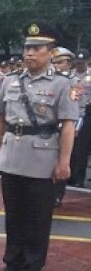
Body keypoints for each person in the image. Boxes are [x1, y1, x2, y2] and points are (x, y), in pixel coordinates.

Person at [0, 21, 78, 271]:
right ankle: (12, 265)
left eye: (37, 48)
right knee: (13, 216)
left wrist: (64, 162)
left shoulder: (63, 84)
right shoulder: (10, 81)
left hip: (42, 158)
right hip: (13, 155)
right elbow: (0, 120)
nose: (29, 53)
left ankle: (31, 270)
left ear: (51, 52)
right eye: (27, 47)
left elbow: (68, 126)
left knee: (37, 219)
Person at [51, 47, 82, 206]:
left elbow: (78, 109)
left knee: (63, 158)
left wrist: (76, 127)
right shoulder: (49, 80)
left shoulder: (72, 82)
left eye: (60, 62)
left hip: (65, 124)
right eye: (54, 61)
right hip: (48, 125)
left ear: (68, 64)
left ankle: (58, 193)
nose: (56, 65)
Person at [70, 49, 91, 187]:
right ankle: (69, 176)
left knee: (81, 148)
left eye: (82, 63)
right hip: (71, 113)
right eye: (77, 63)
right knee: (69, 146)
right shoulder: (70, 76)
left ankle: (79, 177)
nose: (80, 65)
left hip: (86, 114)